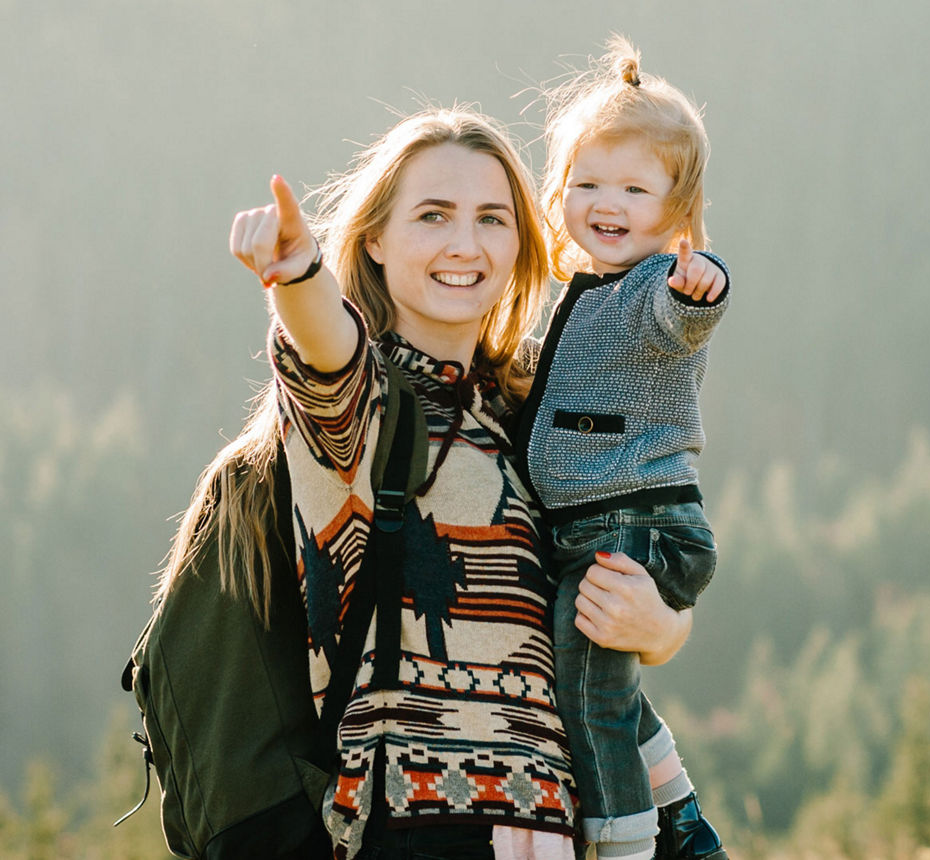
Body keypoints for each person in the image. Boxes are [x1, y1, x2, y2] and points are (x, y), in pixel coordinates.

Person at [162, 106, 690, 860]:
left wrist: (663, 630)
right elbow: (326, 348)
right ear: (375, 238)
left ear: (520, 242)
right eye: (433, 216)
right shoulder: (359, 411)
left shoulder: (545, 405)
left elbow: (643, 550)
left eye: (491, 219)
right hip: (412, 826)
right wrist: (298, 275)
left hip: (558, 829)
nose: (464, 245)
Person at [513, 38, 729, 860]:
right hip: (596, 527)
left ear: (677, 212)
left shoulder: (651, 290)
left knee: (590, 703)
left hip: (630, 525)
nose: (607, 203)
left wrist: (700, 286)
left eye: (635, 189)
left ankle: (624, 847)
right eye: (587, 183)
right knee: (606, 692)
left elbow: (688, 319)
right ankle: (679, 817)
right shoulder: (586, 291)